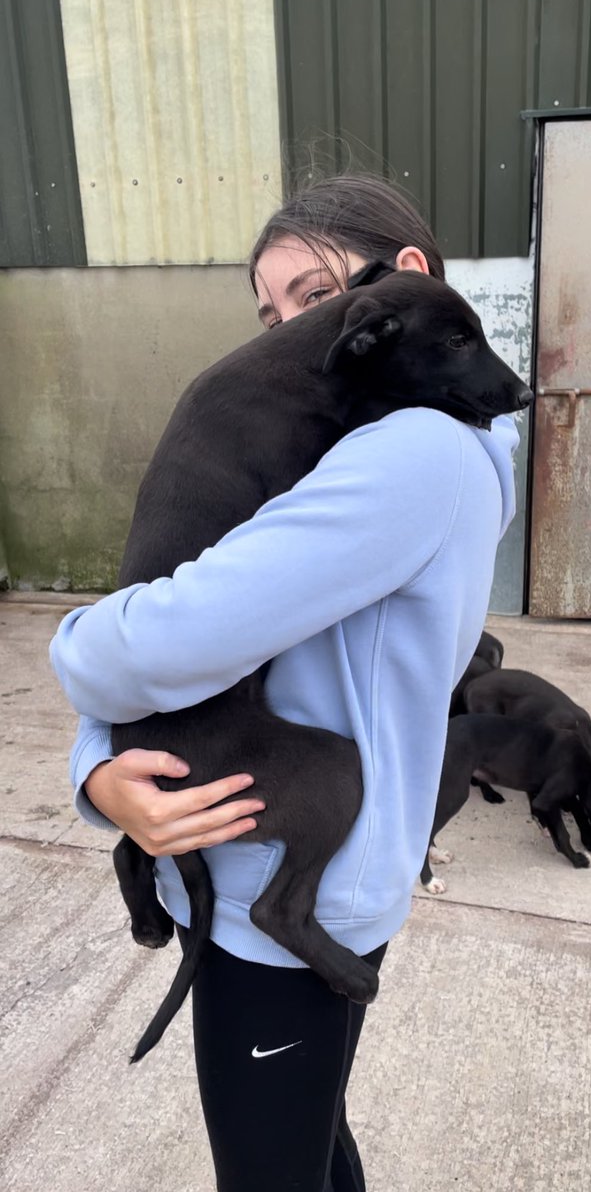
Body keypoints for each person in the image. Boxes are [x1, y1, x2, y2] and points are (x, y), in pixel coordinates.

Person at [50, 173, 519, 1191]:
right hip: (285, 852)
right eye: (268, 313)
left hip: (277, 907)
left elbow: (157, 640)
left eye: (314, 298)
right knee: (312, 1149)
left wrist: (70, 644)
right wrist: (99, 767)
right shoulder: (358, 441)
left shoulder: (406, 457)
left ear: (404, 285)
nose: (286, 335)